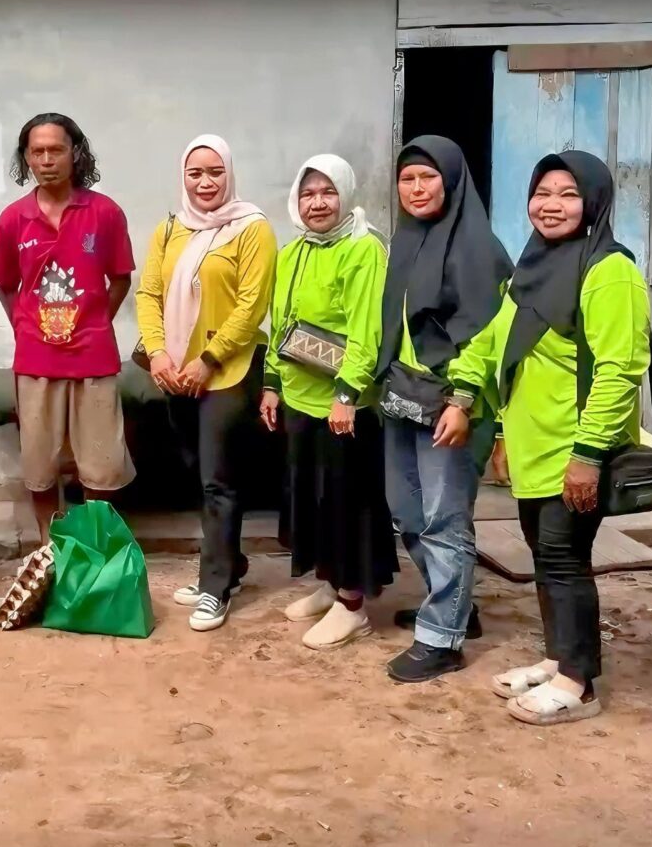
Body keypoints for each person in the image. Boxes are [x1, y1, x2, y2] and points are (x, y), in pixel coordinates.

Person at [446, 150, 652, 728]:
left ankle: (578, 683)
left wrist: (588, 456)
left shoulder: (609, 270)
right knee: (547, 558)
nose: (551, 205)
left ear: (593, 202)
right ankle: (560, 657)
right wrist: (464, 394)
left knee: (564, 560)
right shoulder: (532, 268)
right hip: (535, 450)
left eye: (567, 193)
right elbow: (493, 342)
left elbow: (619, 368)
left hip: (573, 449)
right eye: (543, 192)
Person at [375, 134, 511, 684]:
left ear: (452, 181)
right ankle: (455, 606)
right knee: (405, 510)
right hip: (401, 396)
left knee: (444, 517)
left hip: (452, 402)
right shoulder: (406, 242)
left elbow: (484, 332)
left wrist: (462, 398)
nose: (416, 188)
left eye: (428, 176)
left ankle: (443, 638)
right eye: (407, 178)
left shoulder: (479, 248)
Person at [134, 134, 274, 631]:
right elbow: (148, 293)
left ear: (229, 173)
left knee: (220, 480)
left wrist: (209, 359)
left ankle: (216, 586)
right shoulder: (170, 229)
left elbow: (252, 304)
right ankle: (228, 563)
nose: (205, 182)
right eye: (195, 173)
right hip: (174, 372)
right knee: (199, 474)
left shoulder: (252, 229)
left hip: (227, 373)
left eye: (215, 171)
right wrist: (156, 353)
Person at [260, 153, 393, 650]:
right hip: (299, 397)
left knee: (347, 503)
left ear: (346, 194)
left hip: (344, 405)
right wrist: (272, 383)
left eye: (327, 192)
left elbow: (367, 332)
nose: (317, 203)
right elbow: (280, 323)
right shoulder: (294, 252)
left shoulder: (364, 250)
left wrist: (347, 395)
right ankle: (330, 582)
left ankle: (353, 603)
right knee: (312, 499)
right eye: (308, 193)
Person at [0, 111, 137, 534]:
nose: (47, 159)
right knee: (39, 465)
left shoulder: (105, 213)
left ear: (75, 154)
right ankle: (47, 548)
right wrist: (25, 329)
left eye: (56, 149)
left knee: (102, 466)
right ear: (27, 159)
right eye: (38, 151)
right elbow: (5, 285)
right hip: (37, 361)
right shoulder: (12, 220)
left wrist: (95, 323)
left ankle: (94, 545)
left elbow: (121, 278)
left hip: (94, 358)